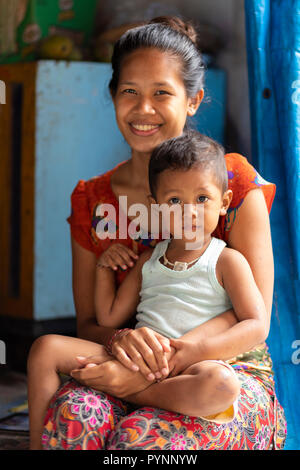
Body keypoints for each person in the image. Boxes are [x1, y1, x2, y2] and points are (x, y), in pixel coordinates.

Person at [39, 17, 286, 450]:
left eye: (162, 93)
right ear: (113, 94)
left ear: (193, 101)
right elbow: (88, 324)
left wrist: (166, 359)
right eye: (130, 91)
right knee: (75, 414)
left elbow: (253, 315)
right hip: (124, 358)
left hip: (223, 366)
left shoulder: (233, 181)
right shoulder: (93, 200)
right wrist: (120, 339)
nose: (144, 109)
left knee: (146, 441)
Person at [28, 131, 271, 449]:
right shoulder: (148, 260)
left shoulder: (226, 260)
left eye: (202, 199)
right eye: (175, 201)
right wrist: (104, 267)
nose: (189, 212)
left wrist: (191, 354)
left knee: (221, 385)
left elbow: (257, 325)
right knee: (45, 348)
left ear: (224, 203)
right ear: (157, 207)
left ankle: (130, 391)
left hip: (196, 364)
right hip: (136, 360)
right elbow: (109, 316)